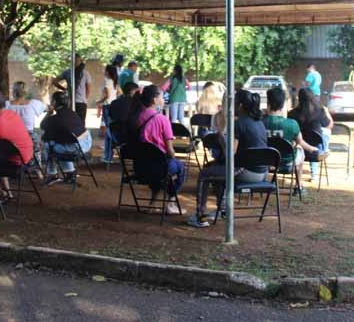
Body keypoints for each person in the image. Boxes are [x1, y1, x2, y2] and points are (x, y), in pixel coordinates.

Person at [187, 89, 267, 228]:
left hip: (246, 171)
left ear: (240, 106)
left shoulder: (239, 123)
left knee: (204, 174)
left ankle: (200, 216)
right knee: (214, 168)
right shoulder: (259, 122)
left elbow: (231, 155)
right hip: (262, 172)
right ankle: (223, 210)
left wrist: (221, 138)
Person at [127, 85, 186, 214]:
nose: (164, 99)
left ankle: (152, 203)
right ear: (154, 100)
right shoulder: (162, 119)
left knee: (158, 165)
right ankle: (170, 203)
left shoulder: (136, 117)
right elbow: (170, 151)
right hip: (159, 168)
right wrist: (173, 157)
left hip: (139, 168)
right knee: (179, 167)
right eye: (162, 97)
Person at [262, 87, 319, 195]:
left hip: (265, 162)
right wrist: (313, 149)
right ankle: (299, 186)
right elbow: (300, 142)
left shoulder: (260, 122)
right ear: (283, 104)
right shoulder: (292, 124)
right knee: (300, 151)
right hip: (287, 163)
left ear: (268, 103)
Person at [0, 89, 34, 200]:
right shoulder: (11, 114)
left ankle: (2, 193)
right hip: (27, 156)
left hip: (15, 163)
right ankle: (8, 192)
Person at [40, 91, 92, 186]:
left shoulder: (54, 119)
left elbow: (42, 126)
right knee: (62, 143)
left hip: (75, 148)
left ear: (54, 102)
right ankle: (70, 173)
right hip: (87, 142)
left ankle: (53, 175)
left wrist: (49, 113)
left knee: (49, 144)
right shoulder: (73, 113)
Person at [288, 88, 334, 181]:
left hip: (298, 148)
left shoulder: (292, 113)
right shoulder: (320, 111)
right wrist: (327, 112)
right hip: (315, 150)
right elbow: (329, 125)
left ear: (299, 98)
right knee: (325, 133)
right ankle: (315, 172)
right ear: (313, 97)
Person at [52, 55, 93, 121]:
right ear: (80, 61)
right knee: (81, 122)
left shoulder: (67, 72)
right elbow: (88, 89)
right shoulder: (85, 73)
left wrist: (64, 89)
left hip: (70, 101)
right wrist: (85, 99)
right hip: (81, 102)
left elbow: (54, 81)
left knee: (70, 121)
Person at [97, 65, 120, 164]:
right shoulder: (114, 82)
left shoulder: (107, 81)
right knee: (109, 130)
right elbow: (119, 93)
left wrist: (99, 102)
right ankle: (108, 155)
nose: (104, 71)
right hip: (113, 106)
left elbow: (107, 95)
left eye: (105, 70)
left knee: (109, 131)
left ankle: (108, 156)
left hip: (107, 106)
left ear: (107, 72)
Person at [108, 81, 140, 146]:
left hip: (115, 135)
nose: (139, 94)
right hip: (130, 137)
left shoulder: (114, 102)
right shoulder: (137, 103)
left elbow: (110, 118)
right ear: (132, 91)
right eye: (137, 91)